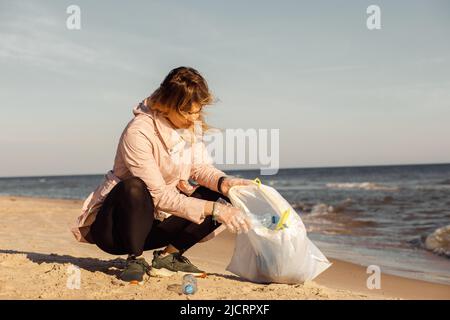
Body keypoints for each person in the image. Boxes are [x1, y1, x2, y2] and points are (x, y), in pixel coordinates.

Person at [71, 66, 253, 283]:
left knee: (221, 195)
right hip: (115, 230)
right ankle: (135, 258)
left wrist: (226, 183)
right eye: (188, 111)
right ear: (167, 104)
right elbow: (158, 195)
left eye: (197, 111)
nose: (194, 118)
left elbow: (200, 168)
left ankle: (169, 257)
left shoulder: (189, 127)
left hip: (155, 224)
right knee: (134, 187)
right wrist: (215, 210)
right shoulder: (138, 132)